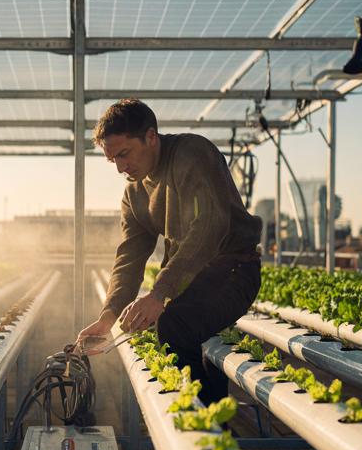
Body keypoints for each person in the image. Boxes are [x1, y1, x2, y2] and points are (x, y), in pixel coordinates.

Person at [75, 99, 262, 404]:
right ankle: (214, 420)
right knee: (188, 332)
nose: (121, 167)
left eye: (124, 154)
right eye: (113, 161)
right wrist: (108, 316)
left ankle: (203, 422)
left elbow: (211, 224)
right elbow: (130, 255)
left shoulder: (192, 155)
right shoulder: (134, 192)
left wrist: (159, 293)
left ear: (151, 137)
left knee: (176, 325)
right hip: (194, 281)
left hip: (234, 271)